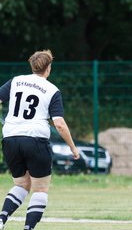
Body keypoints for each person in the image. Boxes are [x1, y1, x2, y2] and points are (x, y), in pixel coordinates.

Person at [0, 50, 80, 230]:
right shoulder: (52, 90)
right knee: (40, 189)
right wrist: (73, 148)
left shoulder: (16, 81)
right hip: (35, 139)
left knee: (21, 185)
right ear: (48, 68)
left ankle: (1, 219)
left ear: (32, 65)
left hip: (11, 138)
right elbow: (59, 123)